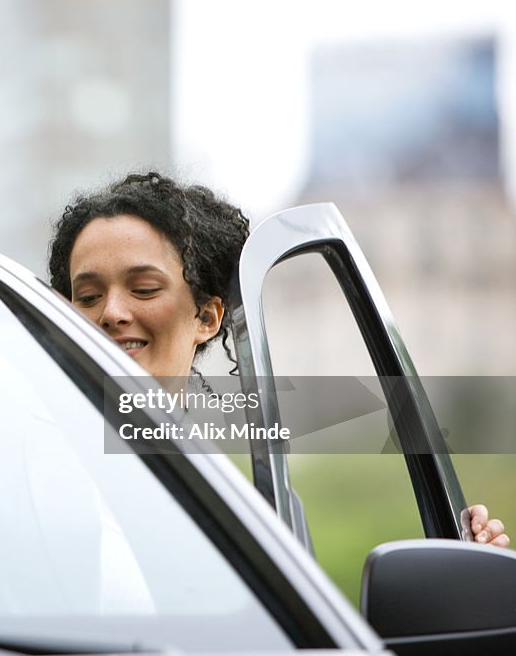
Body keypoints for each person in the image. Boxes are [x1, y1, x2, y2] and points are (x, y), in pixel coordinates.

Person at [48, 171, 509, 548]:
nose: (110, 313)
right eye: (86, 296)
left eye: (144, 289)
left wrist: (464, 578)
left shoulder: (262, 513)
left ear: (207, 317)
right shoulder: (26, 461)